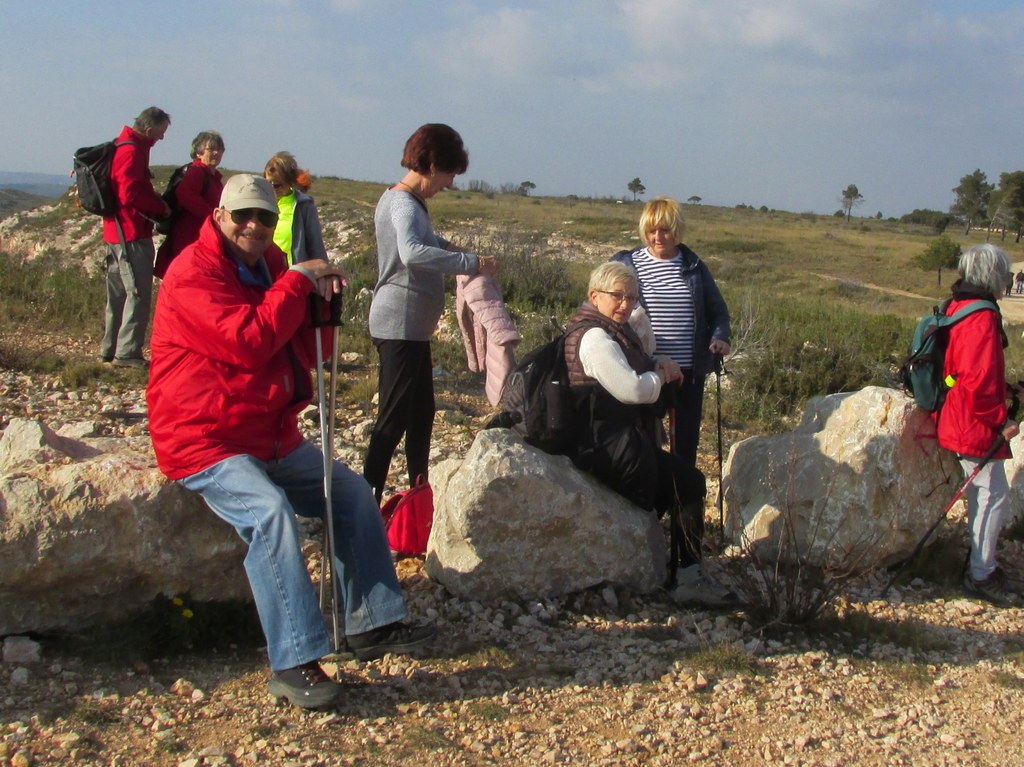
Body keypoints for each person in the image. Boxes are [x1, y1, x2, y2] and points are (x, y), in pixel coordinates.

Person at [147, 174, 435, 709]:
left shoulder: (272, 269)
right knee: (269, 513)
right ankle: (294, 659)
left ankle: (371, 622)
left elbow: (305, 353)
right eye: (243, 216)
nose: (254, 226)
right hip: (203, 437)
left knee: (350, 494)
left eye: (264, 217)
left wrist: (322, 307)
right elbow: (248, 342)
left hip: (269, 433)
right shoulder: (192, 274)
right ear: (219, 217)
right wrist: (296, 285)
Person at [563, 261, 736, 607]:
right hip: (606, 446)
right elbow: (635, 390)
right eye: (618, 296)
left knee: (677, 481)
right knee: (688, 483)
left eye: (632, 297)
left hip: (607, 441)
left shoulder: (609, 329)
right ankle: (687, 578)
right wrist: (661, 376)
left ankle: (661, 560)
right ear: (594, 296)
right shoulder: (595, 338)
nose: (626, 304)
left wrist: (654, 364)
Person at [363, 123, 497, 502]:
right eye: (450, 174)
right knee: (392, 420)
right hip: (398, 325)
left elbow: (427, 242)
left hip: (413, 328)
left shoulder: (408, 202)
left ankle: (416, 496)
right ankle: (365, 502)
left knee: (422, 415)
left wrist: (456, 251)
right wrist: (468, 261)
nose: (450, 184)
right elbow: (411, 252)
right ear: (434, 164)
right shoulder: (404, 204)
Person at [612, 196, 730, 469]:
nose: (657, 237)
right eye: (652, 230)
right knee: (640, 438)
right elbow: (605, 305)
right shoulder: (627, 264)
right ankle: (644, 504)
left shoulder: (694, 266)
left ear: (676, 230)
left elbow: (718, 311)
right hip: (644, 367)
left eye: (664, 230)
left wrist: (720, 338)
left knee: (685, 444)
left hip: (687, 373)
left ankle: (683, 505)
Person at [936, 244, 1021, 606]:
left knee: (984, 493)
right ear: (992, 275)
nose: (1007, 280)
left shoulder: (959, 305)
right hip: (971, 422)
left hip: (956, 413)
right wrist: (1002, 420)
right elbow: (977, 380)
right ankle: (981, 576)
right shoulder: (983, 316)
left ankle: (979, 566)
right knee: (992, 495)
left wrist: (1005, 389)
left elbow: (966, 371)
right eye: (1003, 273)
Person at [99, 106, 172, 368]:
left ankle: (109, 349)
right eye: (161, 132)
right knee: (137, 293)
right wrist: (159, 207)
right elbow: (129, 193)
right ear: (150, 129)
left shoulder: (122, 144)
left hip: (115, 231)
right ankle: (127, 353)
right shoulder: (132, 150)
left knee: (118, 294)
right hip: (130, 232)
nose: (161, 138)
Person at [154, 130, 226, 279]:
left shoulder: (212, 177)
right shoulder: (197, 172)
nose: (216, 153)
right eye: (211, 149)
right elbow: (185, 195)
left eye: (220, 149)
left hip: (196, 238)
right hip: (188, 238)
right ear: (198, 152)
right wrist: (212, 217)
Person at [264, 152, 328, 265]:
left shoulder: (304, 206)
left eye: (278, 185)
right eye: (268, 183)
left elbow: (315, 244)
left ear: (290, 182)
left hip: (293, 272)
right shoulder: (261, 204)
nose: (273, 188)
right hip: (266, 272)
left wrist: (324, 272)